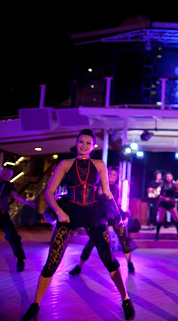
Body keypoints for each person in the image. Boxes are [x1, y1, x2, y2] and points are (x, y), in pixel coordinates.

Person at [21, 129, 135, 321]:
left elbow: (106, 193)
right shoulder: (65, 164)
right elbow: (49, 192)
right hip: (69, 212)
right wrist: (59, 212)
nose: (84, 145)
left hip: (93, 211)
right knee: (52, 262)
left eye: (88, 143)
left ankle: (125, 299)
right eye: (81, 142)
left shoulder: (99, 164)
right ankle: (35, 305)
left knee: (109, 260)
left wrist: (117, 215)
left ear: (93, 146)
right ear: (76, 143)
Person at [68, 165, 136, 275]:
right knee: (92, 241)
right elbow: (99, 197)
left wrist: (123, 213)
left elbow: (116, 202)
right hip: (100, 214)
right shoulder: (100, 185)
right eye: (110, 174)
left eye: (114, 175)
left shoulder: (116, 188)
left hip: (113, 213)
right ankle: (79, 266)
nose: (111, 176)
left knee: (123, 238)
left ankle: (129, 263)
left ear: (117, 176)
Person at [154, 172, 178, 241]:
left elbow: (176, 194)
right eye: (167, 177)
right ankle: (156, 235)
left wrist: (170, 198)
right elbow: (159, 195)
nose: (168, 178)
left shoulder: (174, 185)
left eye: (170, 176)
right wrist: (164, 198)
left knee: (176, 218)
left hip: (170, 203)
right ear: (165, 178)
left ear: (172, 178)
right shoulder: (162, 185)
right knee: (160, 219)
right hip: (163, 203)